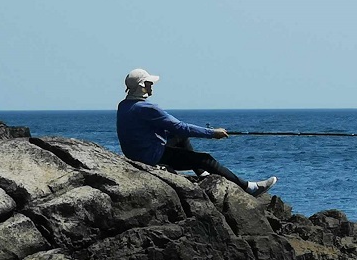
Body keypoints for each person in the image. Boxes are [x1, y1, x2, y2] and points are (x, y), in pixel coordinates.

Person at [116, 68, 277, 196]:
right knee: (205, 158)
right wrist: (212, 133)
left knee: (180, 137)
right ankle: (249, 188)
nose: (152, 85)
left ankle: (203, 175)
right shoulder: (147, 108)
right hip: (150, 156)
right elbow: (180, 126)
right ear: (142, 86)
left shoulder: (123, 105)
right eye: (150, 83)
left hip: (135, 153)